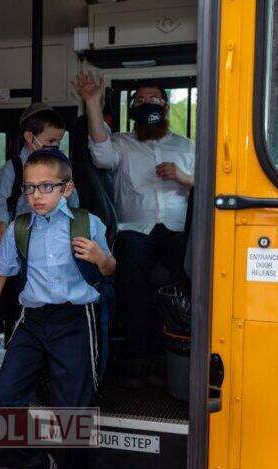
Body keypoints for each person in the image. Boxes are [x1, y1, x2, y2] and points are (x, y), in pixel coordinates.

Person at [0, 149, 115, 469]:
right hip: (32, 321)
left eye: (46, 186)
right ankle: (38, 465)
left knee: (72, 408)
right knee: (5, 398)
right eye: (29, 188)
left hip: (75, 320)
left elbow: (111, 267)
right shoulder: (20, 229)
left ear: (67, 189)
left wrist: (100, 258)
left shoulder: (87, 223)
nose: (36, 195)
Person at [72, 71, 195, 389]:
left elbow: (210, 188)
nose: (146, 103)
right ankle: (139, 356)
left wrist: (183, 177)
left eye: (153, 99)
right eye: (140, 100)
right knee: (130, 272)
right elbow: (101, 154)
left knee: (183, 278)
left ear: (166, 107)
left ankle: (168, 355)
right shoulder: (122, 143)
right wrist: (92, 101)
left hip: (178, 229)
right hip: (135, 229)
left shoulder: (188, 147)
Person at [0, 102, 80, 242]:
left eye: (58, 142)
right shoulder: (12, 168)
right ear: (30, 137)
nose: (55, 146)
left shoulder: (60, 166)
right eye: (50, 141)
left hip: (55, 235)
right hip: (22, 236)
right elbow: (2, 204)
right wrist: (1, 225)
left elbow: (73, 203)